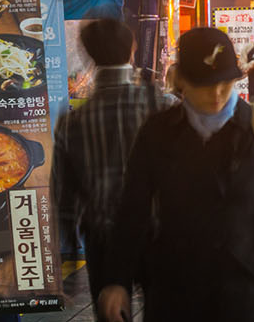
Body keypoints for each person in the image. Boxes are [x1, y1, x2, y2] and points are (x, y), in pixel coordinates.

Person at [93, 28, 254, 322]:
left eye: (224, 83)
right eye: (204, 84)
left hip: (249, 292)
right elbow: (132, 209)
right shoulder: (157, 132)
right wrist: (117, 280)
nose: (216, 94)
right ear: (182, 80)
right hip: (175, 294)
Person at [55, 18, 174, 269]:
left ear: (88, 54)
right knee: (157, 308)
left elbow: (66, 193)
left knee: (109, 306)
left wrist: (68, 239)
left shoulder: (72, 121)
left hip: (102, 235)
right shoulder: (160, 105)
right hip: (157, 231)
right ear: (132, 49)